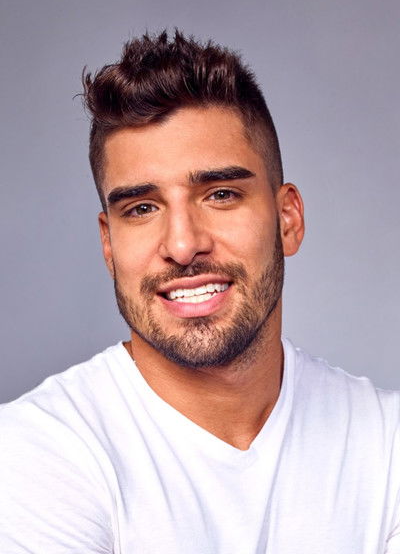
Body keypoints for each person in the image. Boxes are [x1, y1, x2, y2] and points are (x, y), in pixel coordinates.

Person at [0, 30, 399, 553]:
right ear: (108, 244)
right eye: (142, 208)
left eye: (221, 194)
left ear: (287, 219)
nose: (183, 245)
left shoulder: (386, 445)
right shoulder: (36, 452)